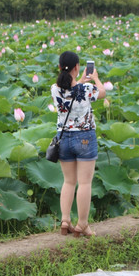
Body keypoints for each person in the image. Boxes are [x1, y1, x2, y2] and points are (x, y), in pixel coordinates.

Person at [50, 51, 106, 237]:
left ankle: (65, 220)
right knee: (84, 183)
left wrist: (79, 79)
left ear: (59, 67)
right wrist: (95, 79)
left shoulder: (54, 89)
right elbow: (103, 93)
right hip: (84, 138)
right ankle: (82, 224)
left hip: (63, 138)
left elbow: (70, 90)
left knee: (68, 181)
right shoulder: (87, 90)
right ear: (77, 67)